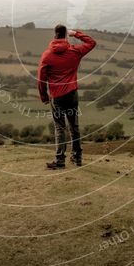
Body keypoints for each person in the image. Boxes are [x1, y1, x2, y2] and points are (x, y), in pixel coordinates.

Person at [37, 24, 96, 169]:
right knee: (74, 127)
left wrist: (44, 96)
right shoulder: (75, 51)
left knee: (59, 128)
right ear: (65, 35)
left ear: (54, 36)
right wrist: (76, 33)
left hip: (57, 97)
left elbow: (41, 79)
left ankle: (60, 161)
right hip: (72, 94)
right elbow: (91, 43)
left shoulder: (47, 55)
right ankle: (77, 157)